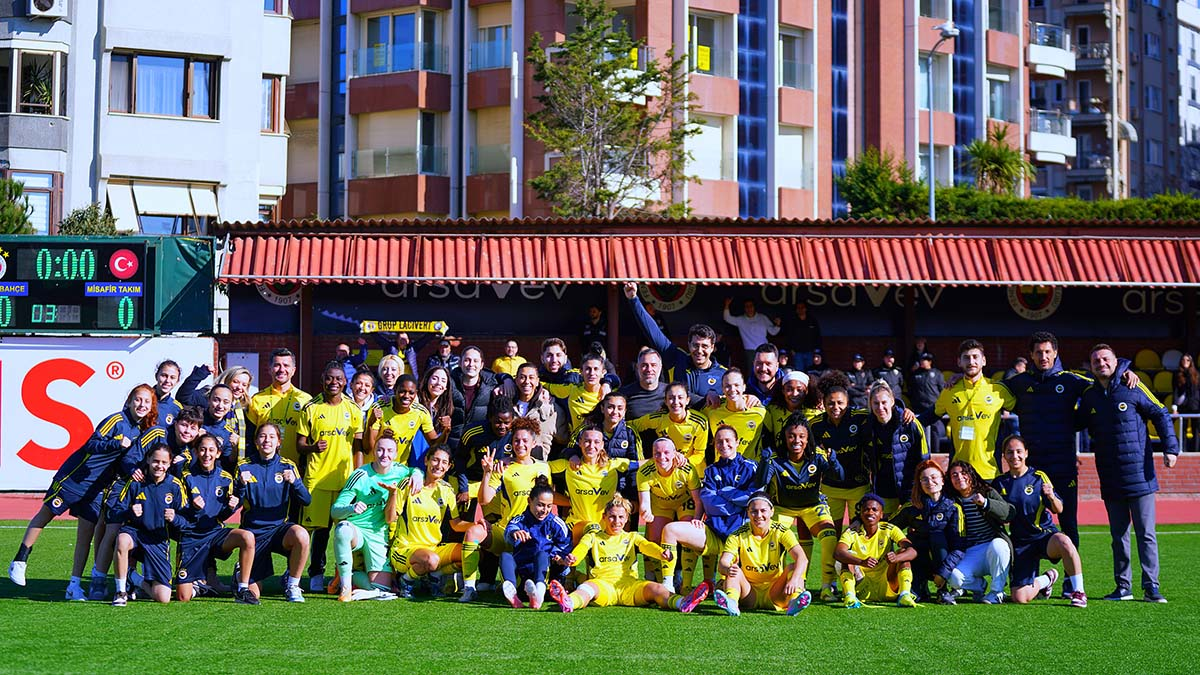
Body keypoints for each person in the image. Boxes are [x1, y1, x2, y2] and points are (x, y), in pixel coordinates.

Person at [8, 384, 156, 599]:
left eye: (146, 401)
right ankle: (20, 559)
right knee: (47, 514)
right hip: (75, 478)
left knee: (85, 535)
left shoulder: (139, 430)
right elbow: (92, 444)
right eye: (138, 399)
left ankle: (74, 586)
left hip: (96, 489)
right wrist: (116, 443)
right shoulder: (116, 420)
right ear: (130, 401)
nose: (141, 404)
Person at [1004, 331, 1113, 599]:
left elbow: (1102, 381)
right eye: (1038, 352)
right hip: (1030, 470)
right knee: (1028, 523)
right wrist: (959, 379)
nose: (1043, 356)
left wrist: (1123, 370)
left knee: (1068, 523)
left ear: (1055, 353)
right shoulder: (1019, 383)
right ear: (1031, 355)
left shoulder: (1072, 380)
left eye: (1048, 352)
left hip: (1063, 466)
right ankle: (1039, 579)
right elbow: (989, 389)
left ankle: (1071, 584)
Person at [1077, 344, 1178, 603]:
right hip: (1110, 476)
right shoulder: (1089, 395)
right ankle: (1123, 587)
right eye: (1096, 360)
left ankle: (1151, 587)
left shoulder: (1133, 385)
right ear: (1091, 365)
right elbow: (1074, 423)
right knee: (1118, 536)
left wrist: (1170, 448)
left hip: (1140, 474)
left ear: (1115, 361)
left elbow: (1160, 413)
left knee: (1146, 534)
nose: (1101, 364)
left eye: (1105, 359)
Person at [547, 495, 708, 613]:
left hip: (630, 586)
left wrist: (661, 553)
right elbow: (581, 549)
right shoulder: (593, 537)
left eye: (620, 517)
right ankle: (570, 603)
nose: (616, 521)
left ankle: (682, 603)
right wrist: (573, 558)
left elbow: (647, 546)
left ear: (626, 519)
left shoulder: (632, 537)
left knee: (657, 589)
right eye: (612, 517)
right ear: (604, 517)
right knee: (587, 588)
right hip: (603, 585)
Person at [659, 425, 760, 592]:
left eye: (728, 440)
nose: (724, 445)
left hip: (740, 536)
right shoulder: (711, 471)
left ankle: (717, 584)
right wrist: (736, 503)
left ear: (737, 442)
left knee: (737, 587)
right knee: (671, 529)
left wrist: (724, 492)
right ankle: (668, 585)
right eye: (719, 442)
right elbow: (709, 504)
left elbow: (753, 500)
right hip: (714, 533)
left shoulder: (751, 467)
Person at [756, 414, 842, 602]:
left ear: (807, 438)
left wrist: (834, 463)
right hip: (783, 508)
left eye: (801, 436)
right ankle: (777, 584)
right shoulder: (775, 458)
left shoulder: (817, 456)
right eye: (792, 436)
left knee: (829, 536)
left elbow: (838, 477)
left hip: (812, 506)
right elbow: (760, 482)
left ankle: (828, 586)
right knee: (774, 540)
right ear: (785, 438)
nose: (797, 440)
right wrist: (764, 462)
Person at [994, 435, 1087, 607]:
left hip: (1043, 537)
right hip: (1020, 543)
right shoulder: (1000, 483)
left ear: (1026, 453)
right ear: (1004, 456)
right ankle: (1047, 580)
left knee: (1065, 542)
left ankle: (1078, 592)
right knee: (1019, 598)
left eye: (1019, 452)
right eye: (1010, 452)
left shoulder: (1038, 477)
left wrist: (1051, 496)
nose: (1015, 456)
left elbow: (1058, 509)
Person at [296, 362, 365, 592]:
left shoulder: (353, 409)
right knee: (320, 530)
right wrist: (313, 448)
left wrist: (358, 475)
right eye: (329, 378)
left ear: (345, 382)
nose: (334, 383)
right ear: (322, 380)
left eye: (339, 379)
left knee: (345, 529)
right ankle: (315, 573)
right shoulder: (311, 408)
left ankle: (341, 576)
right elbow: (300, 445)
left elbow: (358, 447)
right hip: (317, 478)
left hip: (345, 480)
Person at [330, 434, 416, 601]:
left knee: (381, 588)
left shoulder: (400, 471)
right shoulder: (360, 474)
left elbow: (414, 470)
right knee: (342, 530)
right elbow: (335, 511)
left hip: (378, 532)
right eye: (380, 450)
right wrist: (351, 508)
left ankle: (345, 575)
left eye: (390, 451)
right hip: (357, 529)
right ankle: (345, 589)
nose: (385, 455)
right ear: (374, 452)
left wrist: (418, 474)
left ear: (396, 454)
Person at [175, 434, 258, 604]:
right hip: (192, 537)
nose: (207, 454)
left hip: (214, 534)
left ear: (218, 453)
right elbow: (178, 510)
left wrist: (230, 506)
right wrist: (192, 507)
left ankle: (242, 587)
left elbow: (223, 516)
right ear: (197, 452)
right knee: (183, 597)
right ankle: (200, 586)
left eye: (211, 450)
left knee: (247, 537)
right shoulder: (186, 476)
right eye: (203, 449)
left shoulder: (225, 478)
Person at [389, 445, 477, 599]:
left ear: (449, 466)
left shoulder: (447, 490)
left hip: (434, 549)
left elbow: (455, 524)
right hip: (406, 549)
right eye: (435, 460)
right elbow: (391, 519)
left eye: (444, 462)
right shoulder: (409, 484)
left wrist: (477, 526)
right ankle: (405, 580)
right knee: (431, 560)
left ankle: (434, 575)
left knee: (470, 554)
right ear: (426, 460)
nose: (439, 465)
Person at [236, 424, 312, 602]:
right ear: (256, 441)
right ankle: (240, 572)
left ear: (279, 442)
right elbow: (235, 503)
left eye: (271, 437)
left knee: (301, 535)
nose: (266, 440)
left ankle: (293, 585)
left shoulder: (287, 466)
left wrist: (295, 483)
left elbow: (306, 500)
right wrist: (240, 486)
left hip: (279, 531)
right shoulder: (244, 466)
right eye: (262, 436)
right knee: (254, 594)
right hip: (254, 535)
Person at [108, 443, 187, 606]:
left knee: (163, 598)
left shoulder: (175, 485)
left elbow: (187, 521)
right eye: (156, 461)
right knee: (122, 540)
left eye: (164, 462)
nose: (159, 466)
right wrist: (130, 511)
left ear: (170, 463)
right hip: (135, 534)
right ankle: (120, 591)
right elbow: (114, 511)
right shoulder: (136, 482)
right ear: (148, 460)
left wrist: (175, 518)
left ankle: (134, 578)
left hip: (157, 540)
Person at [624, 281, 726, 403]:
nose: (699, 351)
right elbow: (653, 332)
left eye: (704, 346)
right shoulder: (677, 359)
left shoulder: (723, 374)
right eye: (695, 345)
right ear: (688, 344)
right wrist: (633, 299)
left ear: (712, 347)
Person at [711, 492, 811, 616]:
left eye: (763, 511)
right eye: (754, 511)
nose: (759, 515)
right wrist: (727, 569)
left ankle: (794, 602)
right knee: (734, 570)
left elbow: (802, 558)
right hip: (748, 593)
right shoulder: (737, 535)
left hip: (777, 593)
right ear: (748, 512)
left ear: (772, 511)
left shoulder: (781, 531)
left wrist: (794, 579)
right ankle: (731, 603)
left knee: (793, 568)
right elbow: (723, 563)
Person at [935, 339, 1017, 480]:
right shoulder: (949, 391)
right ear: (959, 362)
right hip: (959, 475)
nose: (971, 361)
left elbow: (1026, 410)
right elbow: (930, 415)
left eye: (975, 357)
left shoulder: (997, 389)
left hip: (990, 473)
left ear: (984, 361)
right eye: (966, 358)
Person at [547, 426, 637, 542]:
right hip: (577, 527)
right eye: (587, 441)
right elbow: (539, 466)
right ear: (580, 443)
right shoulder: (568, 465)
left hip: (606, 529)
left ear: (602, 445)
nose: (591, 445)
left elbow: (641, 464)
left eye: (596, 442)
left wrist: (665, 459)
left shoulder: (613, 466)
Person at [943, 461, 1013, 604]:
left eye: (964, 473)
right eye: (954, 475)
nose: (959, 477)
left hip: (992, 547)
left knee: (999, 545)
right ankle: (979, 586)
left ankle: (996, 592)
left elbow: (1009, 513)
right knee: (953, 577)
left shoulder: (986, 491)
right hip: (970, 551)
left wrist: (986, 503)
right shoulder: (951, 500)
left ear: (971, 475)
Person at [809, 378, 870, 538]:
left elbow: (883, 411)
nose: (836, 407)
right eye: (830, 403)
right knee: (831, 535)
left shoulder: (860, 417)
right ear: (823, 403)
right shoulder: (816, 424)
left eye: (840, 403)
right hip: (831, 488)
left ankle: (851, 564)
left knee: (856, 536)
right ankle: (834, 564)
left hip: (858, 487)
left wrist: (903, 409)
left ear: (847, 402)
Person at [833, 493, 919, 608]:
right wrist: (861, 562)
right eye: (866, 509)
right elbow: (838, 553)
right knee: (846, 557)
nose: (870, 512)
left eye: (875, 510)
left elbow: (912, 551)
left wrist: (896, 557)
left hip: (888, 585)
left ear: (881, 514)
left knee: (903, 554)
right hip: (860, 584)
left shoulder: (889, 529)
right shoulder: (852, 532)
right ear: (860, 513)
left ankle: (904, 595)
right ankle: (850, 596)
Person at [637, 437, 703, 584]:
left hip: (684, 502)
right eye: (657, 453)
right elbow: (645, 502)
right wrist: (645, 511)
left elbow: (698, 500)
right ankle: (664, 582)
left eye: (666, 452)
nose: (662, 457)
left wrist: (697, 519)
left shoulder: (686, 469)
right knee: (654, 538)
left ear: (675, 453)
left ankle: (686, 584)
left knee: (688, 535)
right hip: (661, 504)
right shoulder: (645, 471)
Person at [500, 476, 572, 609]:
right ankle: (513, 594)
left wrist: (558, 556)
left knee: (542, 554)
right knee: (505, 555)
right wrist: (514, 533)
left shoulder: (556, 523)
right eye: (540, 505)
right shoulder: (521, 520)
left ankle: (539, 592)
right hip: (523, 574)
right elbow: (511, 528)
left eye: (549, 506)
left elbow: (565, 545)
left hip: (547, 574)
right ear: (529, 501)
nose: (544, 510)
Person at [865, 381, 929, 515]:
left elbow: (924, 458)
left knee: (915, 527)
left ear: (892, 401)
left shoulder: (910, 423)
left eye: (884, 402)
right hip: (884, 484)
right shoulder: (868, 424)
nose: (880, 407)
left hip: (910, 485)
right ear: (870, 404)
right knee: (885, 526)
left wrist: (920, 486)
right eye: (876, 403)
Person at [247, 348, 313, 470]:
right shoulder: (257, 399)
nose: (282, 369)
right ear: (270, 369)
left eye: (286, 365)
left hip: (295, 468)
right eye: (277, 365)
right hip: (262, 467)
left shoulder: (305, 400)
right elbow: (250, 438)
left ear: (293, 371)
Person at [573, 393, 642, 505]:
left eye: (620, 408)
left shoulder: (630, 432)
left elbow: (635, 465)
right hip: (591, 486)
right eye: (610, 407)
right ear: (602, 408)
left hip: (621, 490)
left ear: (624, 411)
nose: (615, 412)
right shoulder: (588, 429)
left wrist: (632, 497)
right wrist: (573, 456)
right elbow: (570, 449)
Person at [365, 374, 442, 467]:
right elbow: (368, 448)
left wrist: (446, 431)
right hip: (375, 467)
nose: (406, 396)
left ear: (416, 393)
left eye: (411, 393)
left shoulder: (421, 412)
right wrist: (382, 437)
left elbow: (434, 444)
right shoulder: (379, 408)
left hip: (399, 469)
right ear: (395, 390)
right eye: (402, 391)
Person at [630, 382, 710, 471]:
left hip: (692, 470)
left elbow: (700, 454)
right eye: (671, 398)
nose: (676, 402)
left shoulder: (699, 422)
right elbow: (633, 425)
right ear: (666, 401)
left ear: (687, 400)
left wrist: (684, 461)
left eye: (680, 398)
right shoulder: (658, 418)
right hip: (666, 470)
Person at [704, 369, 768, 463]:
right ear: (722, 389)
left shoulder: (760, 413)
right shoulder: (713, 410)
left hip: (750, 471)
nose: (732, 389)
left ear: (744, 387)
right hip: (722, 471)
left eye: (736, 385)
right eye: (727, 386)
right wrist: (710, 393)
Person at [542, 353, 607, 435]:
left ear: (603, 373)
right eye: (588, 369)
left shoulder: (608, 394)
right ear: (581, 372)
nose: (591, 373)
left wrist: (608, 383)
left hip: (602, 443)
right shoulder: (572, 389)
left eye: (596, 369)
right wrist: (543, 390)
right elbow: (545, 385)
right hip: (576, 443)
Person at [451, 346, 503, 446]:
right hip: (452, 444)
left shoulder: (491, 386)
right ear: (460, 363)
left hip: (478, 444)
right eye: (467, 360)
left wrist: (507, 379)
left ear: (481, 365)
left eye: (475, 361)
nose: (471, 364)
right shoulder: (450, 383)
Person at [510, 362, 559, 457]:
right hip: (510, 466)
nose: (527, 381)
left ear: (537, 381)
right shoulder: (507, 406)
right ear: (516, 380)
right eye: (522, 377)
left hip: (537, 467)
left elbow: (564, 439)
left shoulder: (551, 408)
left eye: (531, 377)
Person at [722, 297, 781, 372]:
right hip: (750, 351)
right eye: (747, 306)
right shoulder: (741, 319)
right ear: (744, 308)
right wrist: (727, 305)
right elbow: (727, 318)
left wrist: (778, 325)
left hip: (764, 349)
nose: (749, 308)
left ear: (754, 307)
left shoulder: (762, 318)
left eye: (751, 306)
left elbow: (773, 332)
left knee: (765, 370)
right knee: (753, 371)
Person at [418, 366, 464, 452]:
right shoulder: (415, 401)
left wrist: (446, 429)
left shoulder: (448, 409)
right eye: (435, 378)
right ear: (427, 380)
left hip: (432, 455)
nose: (439, 383)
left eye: (443, 381)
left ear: (446, 387)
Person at [618, 347, 669, 420]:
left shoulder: (670, 392)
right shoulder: (624, 394)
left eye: (653, 365)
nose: (649, 369)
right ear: (637, 367)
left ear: (660, 367)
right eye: (644, 365)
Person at [908, 352, 945, 454]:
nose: (923, 362)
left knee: (934, 433)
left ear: (930, 362)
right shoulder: (915, 374)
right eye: (921, 360)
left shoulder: (937, 373)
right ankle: (922, 454)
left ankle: (935, 454)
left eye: (925, 360)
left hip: (933, 409)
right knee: (920, 433)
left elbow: (943, 390)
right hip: (919, 409)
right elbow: (910, 390)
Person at [783, 301, 821, 372]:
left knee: (810, 372)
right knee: (799, 373)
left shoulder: (812, 320)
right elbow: (789, 336)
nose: (800, 309)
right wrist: (791, 349)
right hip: (797, 352)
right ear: (796, 310)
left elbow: (817, 336)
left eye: (802, 308)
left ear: (805, 309)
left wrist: (816, 351)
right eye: (798, 308)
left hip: (810, 351)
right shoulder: (793, 321)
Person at [1173, 353, 1200, 453]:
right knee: (1183, 429)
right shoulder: (1177, 375)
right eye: (1183, 360)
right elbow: (1175, 391)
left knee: (1195, 429)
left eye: (1188, 360)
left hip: (1195, 406)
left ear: (1191, 362)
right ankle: (1183, 450)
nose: (1185, 362)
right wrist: (1175, 407)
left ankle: (1196, 450)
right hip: (1183, 405)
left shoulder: (1196, 374)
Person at [153, 360, 183, 426]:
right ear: (156, 376)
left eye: (172, 377)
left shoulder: (177, 408)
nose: (168, 380)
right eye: (164, 375)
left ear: (177, 381)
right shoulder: (141, 398)